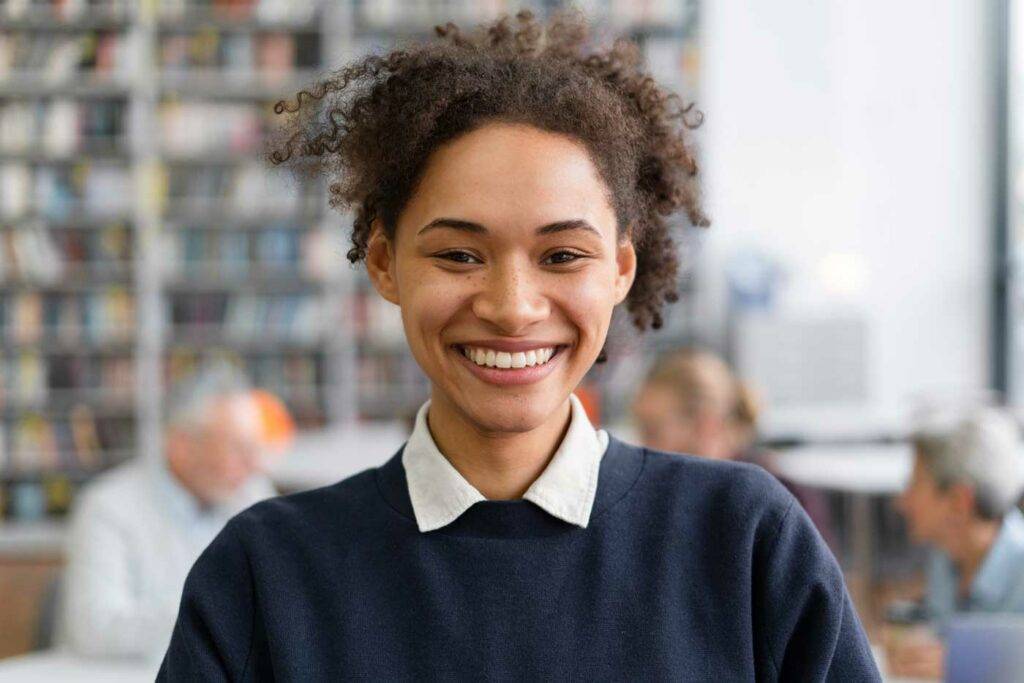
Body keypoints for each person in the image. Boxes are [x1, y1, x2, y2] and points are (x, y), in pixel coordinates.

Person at [159, 11, 879, 680]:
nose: (512, 308)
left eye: (563, 255)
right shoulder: (264, 573)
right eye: (459, 256)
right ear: (383, 262)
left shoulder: (746, 540)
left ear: (621, 269)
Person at [58, 366, 281, 660]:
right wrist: (217, 610)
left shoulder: (252, 494)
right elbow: (94, 632)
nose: (254, 465)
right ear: (183, 447)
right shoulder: (108, 507)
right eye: (237, 449)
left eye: (256, 448)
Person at [633, 347, 836, 548]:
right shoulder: (672, 500)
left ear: (706, 425)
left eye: (652, 431)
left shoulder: (776, 501)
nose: (643, 446)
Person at [888, 408, 1024, 678]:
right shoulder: (945, 559)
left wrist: (969, 669)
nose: (902, 501)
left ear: (959, 502)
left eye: (915, 484)